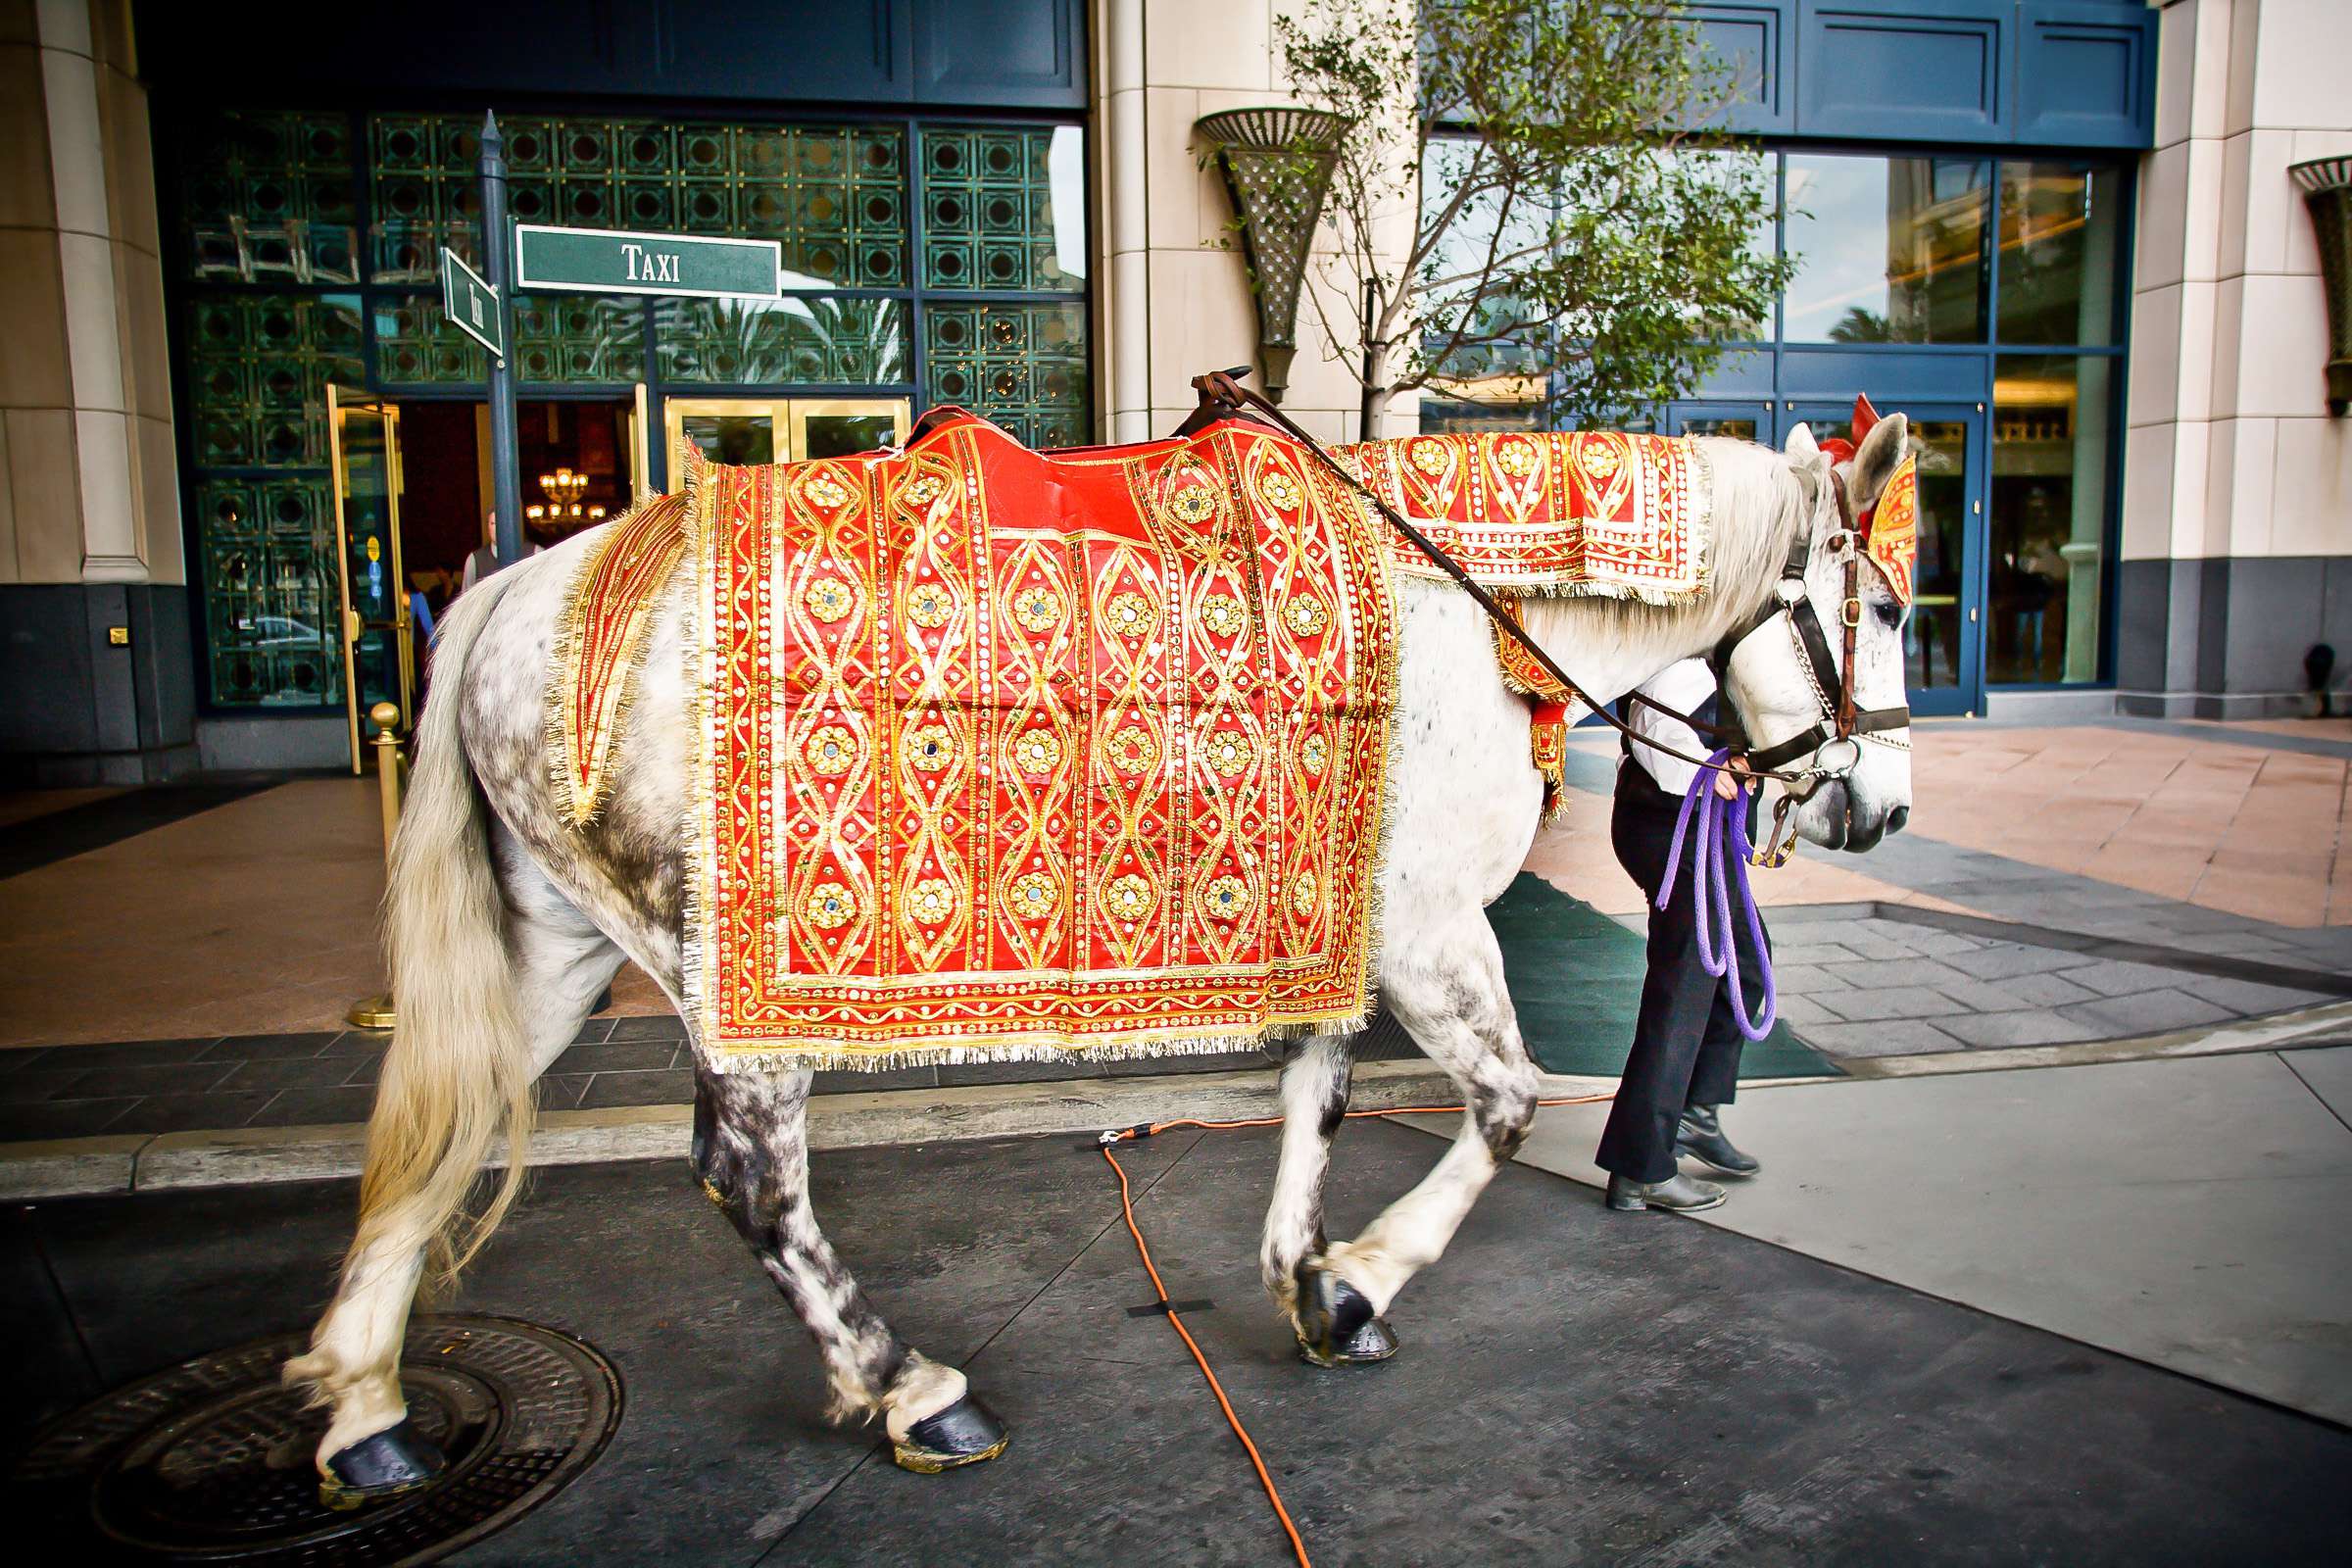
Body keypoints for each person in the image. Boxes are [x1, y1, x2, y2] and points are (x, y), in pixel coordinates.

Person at [1597, 658, 1768, 1214]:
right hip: (1673, 830)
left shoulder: (1731, 648)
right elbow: (1661, 741)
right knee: (1688, 984)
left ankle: (1694, 1111)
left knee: (1745, 963)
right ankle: (1639, 1168)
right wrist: (1709, 767)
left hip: (1703, 833)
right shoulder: (1685, 654)